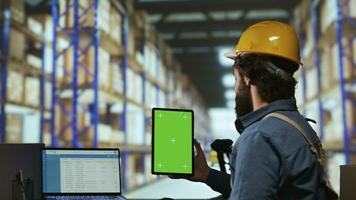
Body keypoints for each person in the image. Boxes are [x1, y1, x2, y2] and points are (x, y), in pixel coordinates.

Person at [173, 21, 337, 199]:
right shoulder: (297, 126)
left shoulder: (260, 137)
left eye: (236, 79)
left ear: (247, 77)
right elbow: (264, 187)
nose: (237, 87)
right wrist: (206, 174)